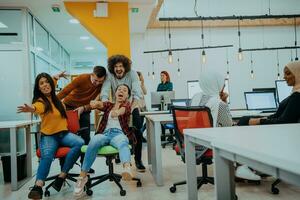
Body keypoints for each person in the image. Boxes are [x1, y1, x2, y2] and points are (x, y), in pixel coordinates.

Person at [17, 73, 84, 199]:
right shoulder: (41, 101)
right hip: (49, 136)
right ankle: (38, 186)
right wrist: (31, 109)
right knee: (47, 156)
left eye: (47, 82)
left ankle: (62, 175)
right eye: (41, 83)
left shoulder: (56, 98)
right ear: (38, 88)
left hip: (63, 134)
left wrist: (55, 77)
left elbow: (51, 83)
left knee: (79, 142)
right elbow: (37, 107)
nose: (45, 85)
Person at [191, 69, 261, 181]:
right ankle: (242, 166)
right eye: (222, 84)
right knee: (243, 132)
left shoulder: (196, 98)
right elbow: (228, 125)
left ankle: (240, 166)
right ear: (217, 85)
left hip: (194, 140)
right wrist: (224, 102)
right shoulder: (219, 104)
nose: (223, 87)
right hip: (209, 144)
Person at [74, 84, 135, 197]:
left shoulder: (127, 105)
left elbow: (123, 110)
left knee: (123, 142)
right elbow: (100, 104)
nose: (121, 91)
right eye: (119, 89)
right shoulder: (109, 105)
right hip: (105, 134)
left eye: (125, 90)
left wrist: (117, 113)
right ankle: (82, 177)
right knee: (94, 141)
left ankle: (126, 168)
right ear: (115, 93)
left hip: (118, 134)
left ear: (127, 96)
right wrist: (95, 103)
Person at [100, 55, 145, 172]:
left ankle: (138, 160)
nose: (118, 69)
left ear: (125, 67)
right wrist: (106, 106)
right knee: (113, 129)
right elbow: (104, 92)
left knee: (137, 131)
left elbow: (137, 92)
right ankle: (117, 153)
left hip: (132, 104)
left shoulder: (133, 74)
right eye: (116, 67)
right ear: (112, 68)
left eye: (121, 66)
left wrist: (130, 107)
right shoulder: (110, 75)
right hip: (116, 105)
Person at [57, 66, 106, 173]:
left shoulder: (103, 83)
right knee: (66, 136)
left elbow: (95, 103)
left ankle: (85, 166)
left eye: (100, 81)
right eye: (95, 80)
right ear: (92, 74)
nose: (97, 84)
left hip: (84, 109)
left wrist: (84, 108)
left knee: (86, 137)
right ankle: (63, 168)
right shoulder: (82, 78)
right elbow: (65, 91)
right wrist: (53, 104)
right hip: (69, 106)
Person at [244, 61, 300, 125]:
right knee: (245, 119)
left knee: (244, 120)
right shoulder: (295, 93)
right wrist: (263, 118)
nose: (284, 77)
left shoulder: (297, 96)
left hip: (284, 130)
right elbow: (279, 116)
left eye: (288, 73)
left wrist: (258, 121)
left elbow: (284, 121)